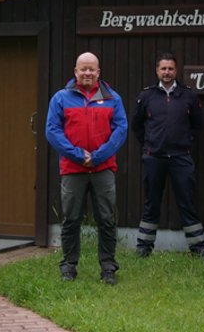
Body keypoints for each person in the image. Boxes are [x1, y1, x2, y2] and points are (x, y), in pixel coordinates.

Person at [45, 52, 128, 285]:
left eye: (92, 69)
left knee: (107, 219)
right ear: (75, 71)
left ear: (99, 72)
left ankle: (108, 267)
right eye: (83, 69)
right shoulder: (61, 98)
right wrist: (79, 155)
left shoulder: (113, 99)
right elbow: (52, 131)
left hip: (103, 168)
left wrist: (98, 156)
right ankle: (69, 266)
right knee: (71, 219)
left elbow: (121, 130)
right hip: (73, 169)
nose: (88, 73)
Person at [132, 52, 204, 261]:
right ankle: (144, 248)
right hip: (153, 157)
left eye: (170, 69)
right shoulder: (146, 96)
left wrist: (184, 141)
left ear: (176, 71)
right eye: (163, 68)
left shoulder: (188, 95)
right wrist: (151, 144)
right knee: (151, 202)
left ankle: (199, 249)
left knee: (188, 202)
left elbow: (198, 125)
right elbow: (137, 126)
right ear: (157, 71)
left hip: (180, 157)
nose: (167, 72)